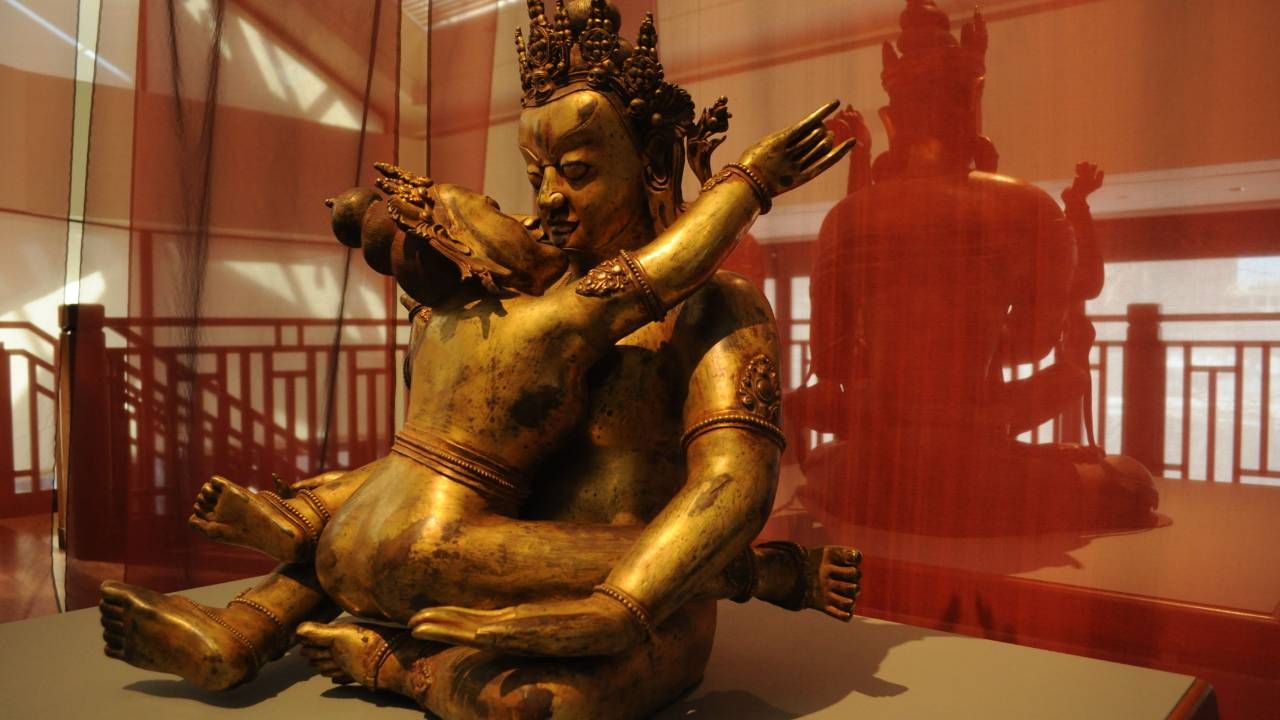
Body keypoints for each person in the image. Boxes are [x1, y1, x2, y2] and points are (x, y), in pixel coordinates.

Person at [100, 3, 863, 716]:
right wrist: (324, 503)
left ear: (654, 162)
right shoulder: (523, 305)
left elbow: (731, 488)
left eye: (578, 171)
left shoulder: (714, 305)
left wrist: (620, 606)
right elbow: (432, 464)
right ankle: (248, 627)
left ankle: (392, 661)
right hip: (490, 555)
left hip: (647, 592)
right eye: (535, 176)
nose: (549, 198)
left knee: (540, 702)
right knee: (387, 527)